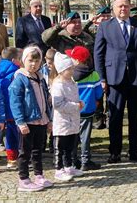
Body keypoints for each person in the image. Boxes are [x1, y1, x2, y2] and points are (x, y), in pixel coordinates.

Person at [94, 0, 137, 163]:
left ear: (130, 7)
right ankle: (115, 152)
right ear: (114, 9)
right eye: (120, 6)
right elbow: (98, 54)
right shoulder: (105, 27)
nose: (123, 9)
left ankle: (134, 150)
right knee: (115, 116)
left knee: (135, 116)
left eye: (126, 6)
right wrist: (102, 78)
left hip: (136, 77)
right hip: (114, 78)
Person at [9, 46, 53, 192]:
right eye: (30, 60)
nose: (33, 64)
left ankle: (39, 175)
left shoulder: (41, 78)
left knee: (38, 149)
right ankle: (24, 179)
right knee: (25, 151)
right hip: (27, 121)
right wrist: (20, 122)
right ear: (24, 60)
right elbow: (15, 102)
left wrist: (49, 119)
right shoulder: (20, 79)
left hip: (40, 120)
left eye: (37, 60)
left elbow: (45, 100)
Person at [66, 46, 103, 171]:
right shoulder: (94, 75)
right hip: (88, 110)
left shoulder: (70, 75)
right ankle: (85, 160)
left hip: (73, 110)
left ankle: (73, 159)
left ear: (76, 60)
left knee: (73, 135)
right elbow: (99, 94)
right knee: (85, 137)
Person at [51, 52, 85, 181]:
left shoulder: (71, 82)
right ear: (61, 70)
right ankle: (58, 168)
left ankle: (68, 165)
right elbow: (58, 104)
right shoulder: (58, 85)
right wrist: (75, 106)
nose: (71, 71)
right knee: (61, 147)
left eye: (72, 68)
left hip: (73, 120)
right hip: (63, 121)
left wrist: (80, 103)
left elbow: (75, 98)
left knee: (71, 145)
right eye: (69, 69)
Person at [83, 6, 112, 130]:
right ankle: (98, 118)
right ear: (97, 18)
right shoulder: (92, 31)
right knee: (98, 92)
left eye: (107, 16)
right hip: (96, 66)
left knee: (111, 93)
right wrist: (91, 21)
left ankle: (110, 117)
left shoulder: (113, 28)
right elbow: (83, 30)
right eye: (102, 16)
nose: (105, 18)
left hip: (111, 66)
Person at [0, 47, 22, 169]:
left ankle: (11, 159)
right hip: (15, 108)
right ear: (14, 60)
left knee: (9, 134)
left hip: (3, 108)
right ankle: (22, 156)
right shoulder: (16, 73)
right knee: (19, 134)